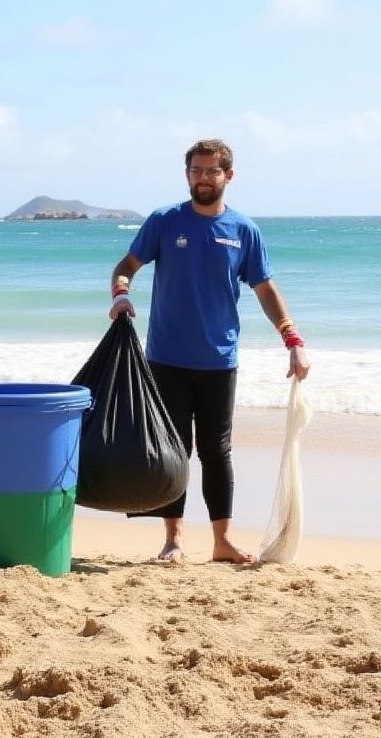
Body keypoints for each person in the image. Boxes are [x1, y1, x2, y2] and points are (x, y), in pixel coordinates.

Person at [109, 138, 310, 565]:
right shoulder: (165, 221)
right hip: (165, 357)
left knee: (217, 451)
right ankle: (174, 541)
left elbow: (265, 288)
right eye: (196, 171)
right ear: (187, 176)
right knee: (173, 449)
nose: (203, 178)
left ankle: (221, 540)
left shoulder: (244, 231)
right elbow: (125, 267)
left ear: (228, 176)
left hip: (220, 360)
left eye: (211, 171)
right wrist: (120, 296)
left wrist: (292, 339)